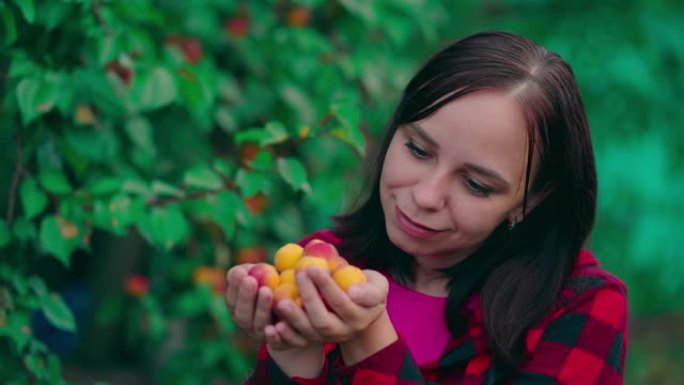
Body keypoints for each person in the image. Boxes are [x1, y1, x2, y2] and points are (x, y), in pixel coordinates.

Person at [225, 31, 628, 384]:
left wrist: (369, 336)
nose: (426, 196)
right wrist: (293, 350)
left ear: (531, 200)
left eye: (475, 184)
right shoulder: (326, 265)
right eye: (418, 150)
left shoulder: (581, 310)